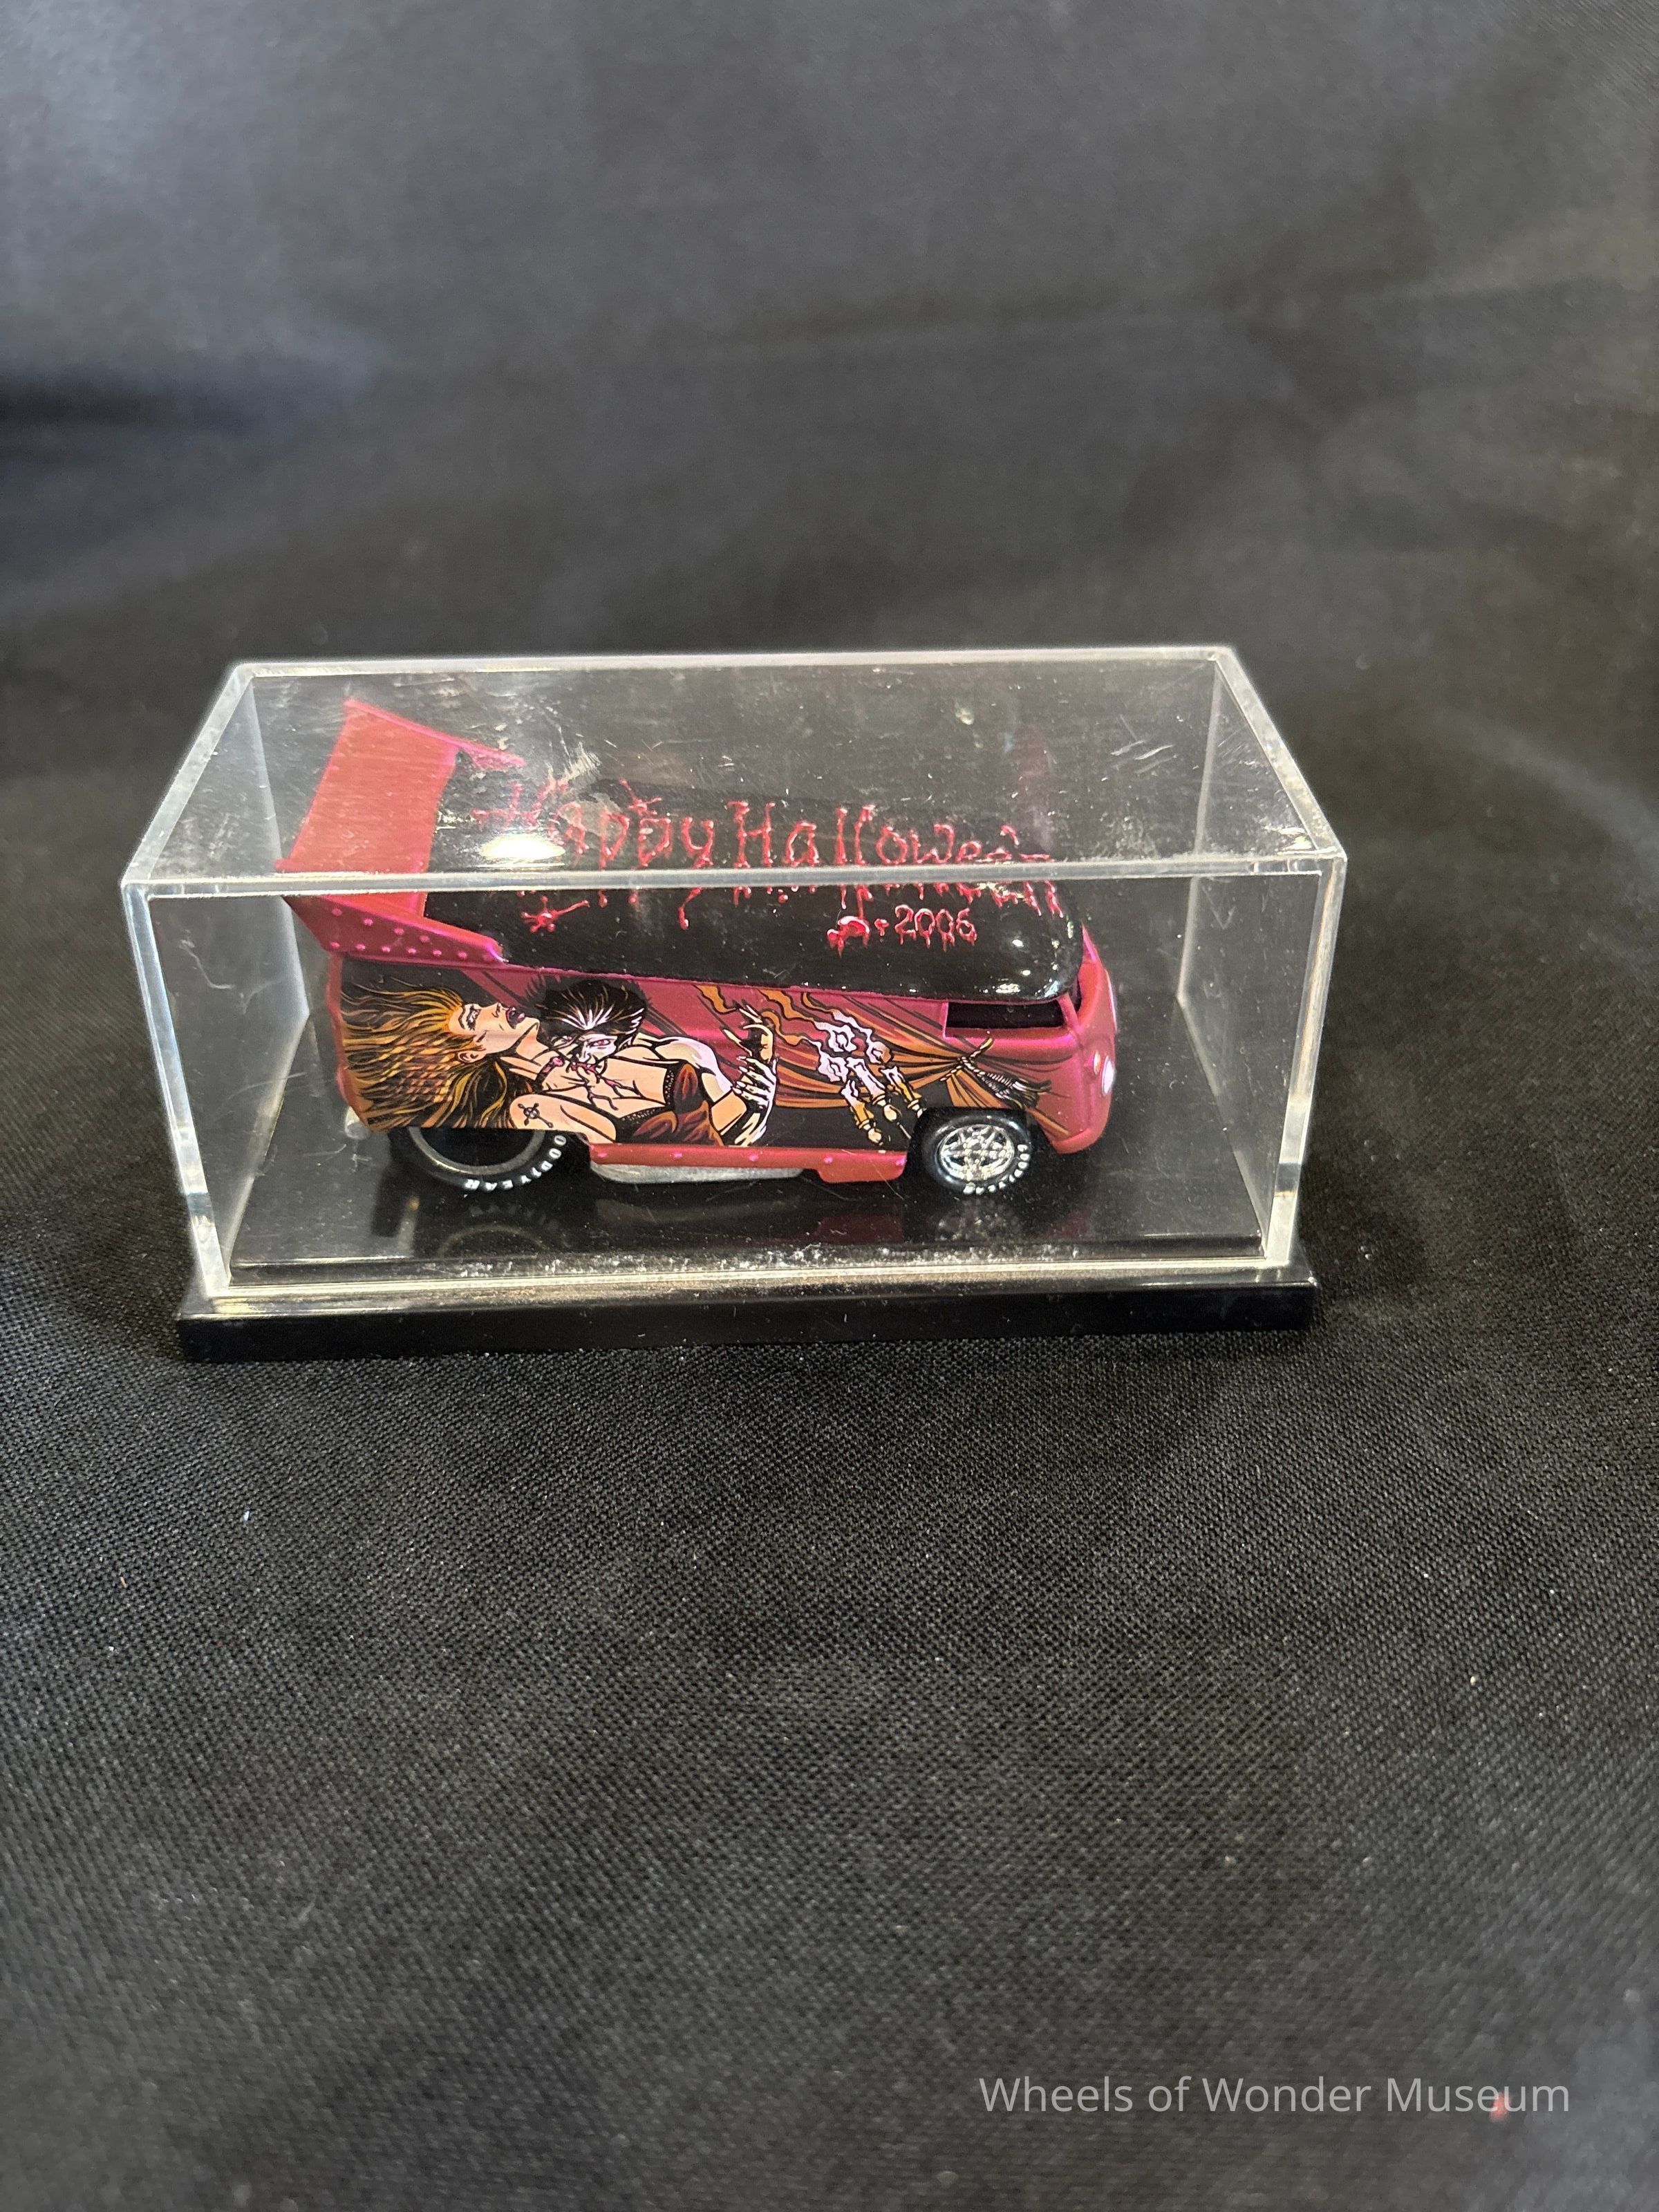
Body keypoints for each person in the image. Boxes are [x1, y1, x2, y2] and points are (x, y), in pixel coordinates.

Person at [339, 976, 775, 1145]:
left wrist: (763, 1064)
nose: (493, 1007)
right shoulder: (536, 1105)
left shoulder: (659, 1049)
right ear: (473, 1051)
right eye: (476, 1017)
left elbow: (737, 1126)